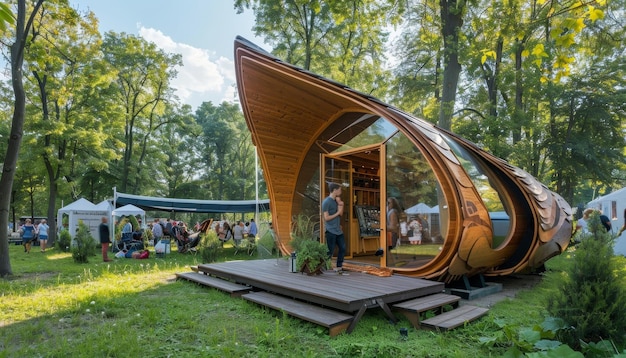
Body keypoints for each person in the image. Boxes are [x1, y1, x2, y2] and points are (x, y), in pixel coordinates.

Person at [323, 182, 347, 275]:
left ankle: (339, 266)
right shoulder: (326, 202)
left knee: (343, 248)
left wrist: (341, 204)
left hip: (338, 230)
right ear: (335, 190)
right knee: (330, 250)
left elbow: (341, 214)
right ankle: (324, 266)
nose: (341, 191)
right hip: (330, 229)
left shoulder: (336, 201)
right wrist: (337, 213)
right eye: (340, 189)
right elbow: (326, 218)